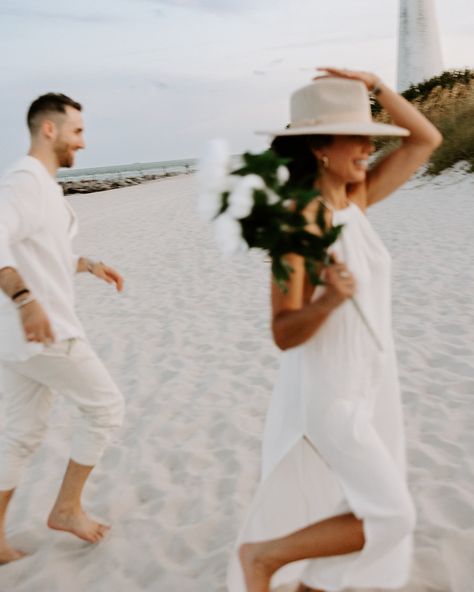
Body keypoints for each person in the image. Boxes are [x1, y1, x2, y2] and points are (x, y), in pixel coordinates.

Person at [227, 68, 442, 592]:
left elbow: (427, 139)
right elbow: (282, 331)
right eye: (359, 136)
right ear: (320, 147)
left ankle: (310, 586)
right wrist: (327, 300)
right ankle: (263, 558)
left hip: (371, 379)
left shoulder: (355, 200)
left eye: (372, 135)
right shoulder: (298, 223)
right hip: (329, 390)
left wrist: (375, 86)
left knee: (357, 503)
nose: (370, 146)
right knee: (392, 515)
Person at [0, 93, 125, 564]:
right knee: (106, 408)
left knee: (22, 434)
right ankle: (68, 509)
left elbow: (38, 253)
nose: (83, 142)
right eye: (77, 131)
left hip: (17, 340)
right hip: (43, 331)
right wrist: (26, 301)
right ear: (49, 130)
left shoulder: (44, 187)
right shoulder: (25, 182)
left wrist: (87, 263)